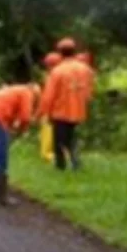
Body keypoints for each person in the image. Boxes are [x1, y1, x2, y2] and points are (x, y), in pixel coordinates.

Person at [39, 38, 95, 171]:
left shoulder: (57, 71)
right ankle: (75, 162)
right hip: (78, 111)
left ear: (60, 52)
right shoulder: (85, 69)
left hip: (60, 111)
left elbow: (49, 95)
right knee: (71, 136)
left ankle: (61, 165)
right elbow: (88, 91)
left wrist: (43, 112)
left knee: (59, 140)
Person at [39, 52, 62, 163]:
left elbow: (47, 97)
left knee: (47, 140)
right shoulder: (63, 75)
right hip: (62, 111)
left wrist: (42, 111)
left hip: (50, 111)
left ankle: (50, 157)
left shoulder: (52, 77)